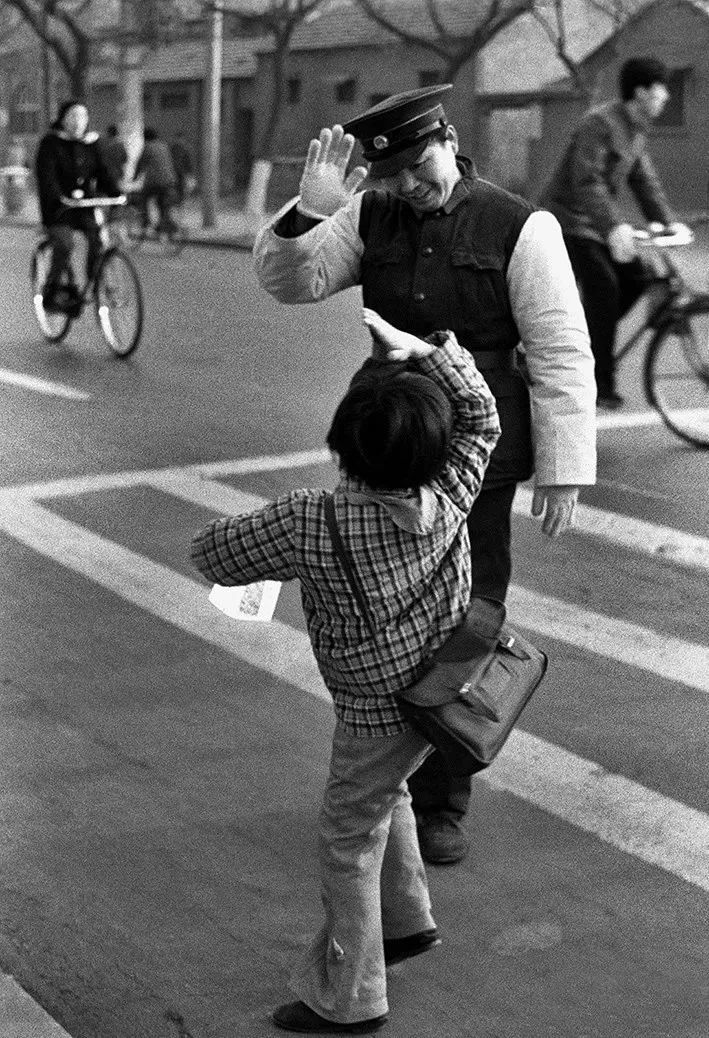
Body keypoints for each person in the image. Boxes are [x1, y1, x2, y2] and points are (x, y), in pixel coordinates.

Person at [253, 84, 597, 867]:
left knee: (466, 619)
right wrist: (306, 216)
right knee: (379, 613)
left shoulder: (518, 224)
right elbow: (291, 283)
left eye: (419, 165)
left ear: (447, 140)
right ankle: (389, 781)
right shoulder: (369, 216)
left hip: (478, 452)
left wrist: (564, 468)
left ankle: (442, 798)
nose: (408, 185)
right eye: (392, 175)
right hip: (386, 446)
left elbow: (558, 347)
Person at [191, 307, 501, 1034]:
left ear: (344, 444)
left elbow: (211, 554)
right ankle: (405, 921)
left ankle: (350, 998)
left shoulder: (310, 520)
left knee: (347, 838)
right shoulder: (453, 488)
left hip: (369, 711)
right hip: (440, 695)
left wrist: (282, 550)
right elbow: (482, 416)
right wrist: (426, 350)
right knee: (389, 794)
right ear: (434, 445)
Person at [541, 56, 691, 410]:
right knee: (605, 288)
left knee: (638, 277)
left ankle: (581, 339)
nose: (667, 96)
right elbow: (586, 180)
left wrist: (668, 221)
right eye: (661, 89)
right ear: (641, 92)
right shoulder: (600, 123)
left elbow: (643, 181)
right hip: (566, 221)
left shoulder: (636, 130)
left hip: (595, 224)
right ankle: (597, 381)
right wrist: (614, 226)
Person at [35, 100, 120, 313]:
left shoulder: (91, 144)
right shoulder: (50, 144)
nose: (78, 121)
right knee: (65, 243)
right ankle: (53, 289)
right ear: (63, 119)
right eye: (73, 116)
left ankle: (94, 280)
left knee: (98, 241)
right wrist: (57, 196)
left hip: (84, 206)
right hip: (59, 208)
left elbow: (103, 173)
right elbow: (47, 177)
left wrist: (117, 194)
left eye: (83, 116)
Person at [134, 127, 178, 236]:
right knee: (162, 202)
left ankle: (146, 221)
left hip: (155, 181)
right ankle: (163, 224)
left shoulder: (148, 147)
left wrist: (134, 177)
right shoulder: (164, 146)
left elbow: (140, 163)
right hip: (170, 180)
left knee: (143, 198)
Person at [169, 131, 195, 206]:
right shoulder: (180, 149)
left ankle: (178, 201)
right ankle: (178, 201)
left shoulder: (174, 148)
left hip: (178, 171)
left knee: (179, 187)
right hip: (178, 171)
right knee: (178, 187)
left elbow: (188, 162)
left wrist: (189, 172)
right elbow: (188, 162)